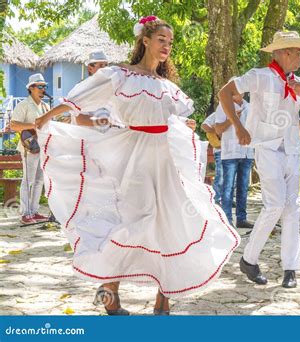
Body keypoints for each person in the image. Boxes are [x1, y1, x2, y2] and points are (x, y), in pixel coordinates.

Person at [35, 15, 240, 315]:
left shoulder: (166, 85)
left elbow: (166, 118)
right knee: (132, 222)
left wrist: (183, 124)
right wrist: (47, 116)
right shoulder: (120, 75)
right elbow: (81, 98)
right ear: (145, 40)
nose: (167, 46)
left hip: (164, 159)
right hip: (134, 156)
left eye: (170, 42)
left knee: (172, 222)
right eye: (161, 40)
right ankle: (111, 291)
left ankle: (163, 300)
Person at [218, 31, 300, 288]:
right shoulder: (259, 76)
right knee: (275, 205)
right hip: (266, 148)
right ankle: (249, 259)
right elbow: (224, 93)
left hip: (292, 150)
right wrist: (238, 126)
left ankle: (290, 269)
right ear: (286, 52)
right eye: (298, 52)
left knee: (291, 208)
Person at [10, 73, 50, 224]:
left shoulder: (46, 106)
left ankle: (34, 211)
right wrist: (33, 125)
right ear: (31, 88)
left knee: (39, 180)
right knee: (28, 180)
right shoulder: (23, 105)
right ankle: (25, 214)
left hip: (43, 148)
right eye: (40, 86)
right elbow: (14, 125)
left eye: (44, 86)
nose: (43, 89)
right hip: (29, 148)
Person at [215, 92, 254, 229]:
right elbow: (218, 129)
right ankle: (227, 219)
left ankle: (241, 219)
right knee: (228, 188)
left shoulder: (250, 106)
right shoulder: (223, 105)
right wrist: (232, 119)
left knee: (243, 188)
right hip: (230, 153)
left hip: (247, 152)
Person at [201, 112, 223, 205]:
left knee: (233, 178)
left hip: (235, 151)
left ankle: (227, 198)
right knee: (221, 175)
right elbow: (204, 126)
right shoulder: (218, 113)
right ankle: (216, 198)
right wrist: (215, 132)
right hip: (220, 150)